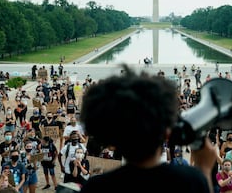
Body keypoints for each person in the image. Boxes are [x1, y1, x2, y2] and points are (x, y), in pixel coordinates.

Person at [80, 65, 218, 193]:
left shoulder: (95, 187)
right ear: (167, 134)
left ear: (112, 141)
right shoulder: (190, 181)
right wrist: (204, 169)